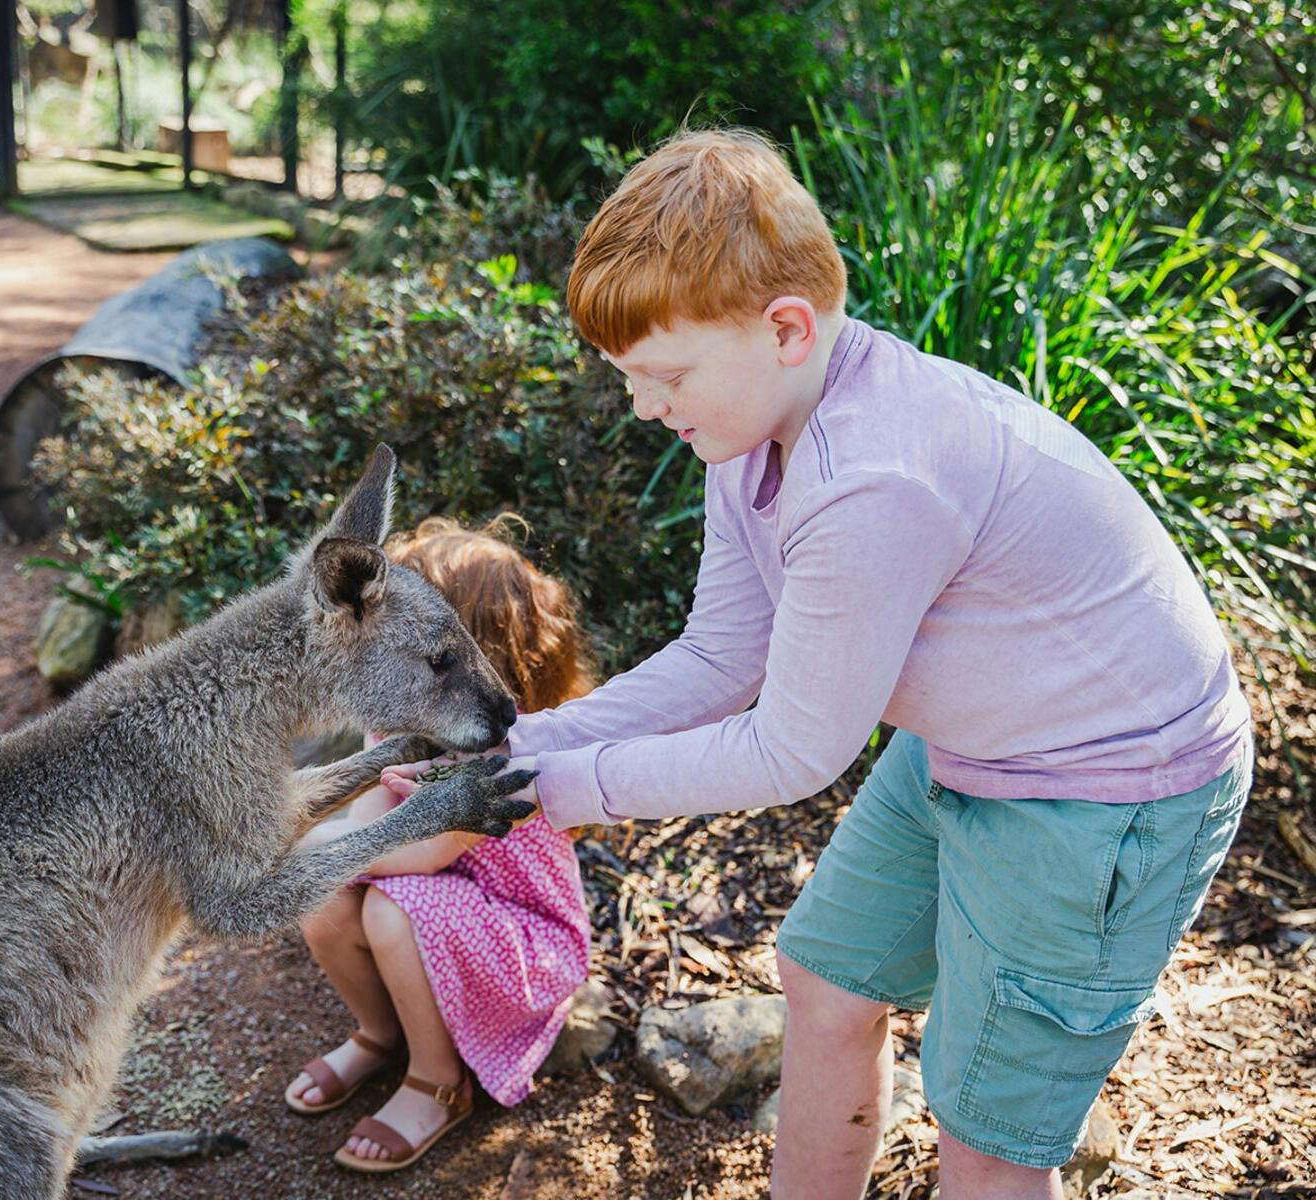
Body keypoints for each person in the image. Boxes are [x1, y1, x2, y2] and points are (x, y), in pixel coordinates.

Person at [415, 128, 1253, 1198]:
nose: (641, 405)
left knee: (990, 1137)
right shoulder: (750, 428)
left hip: (1108, 792)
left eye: (662, 374)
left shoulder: (870, 480)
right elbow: (722, 656)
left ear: (785, 327)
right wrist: (520, 754)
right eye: (629, 378)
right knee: (825, 981)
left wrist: (564, 792)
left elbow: (796, 748)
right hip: (979, 742)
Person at [285, 517, 595, 1173]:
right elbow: (371, 822)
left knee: (389, 910)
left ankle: (436, 1080)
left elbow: (422, 852)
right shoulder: (402, 726)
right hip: (441, 906)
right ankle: (380, 1034)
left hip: (525, 938)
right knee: (326, 900)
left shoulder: (502, 757)